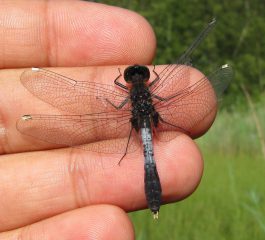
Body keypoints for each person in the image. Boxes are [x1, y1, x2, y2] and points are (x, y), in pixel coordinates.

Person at [0, 1, 215, 239]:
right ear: (147, 80)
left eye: (136, 75)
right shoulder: (150, 89)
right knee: (151, 158)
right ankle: (155, 200)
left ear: (128, 83)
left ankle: (152, 199)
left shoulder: (127, 93)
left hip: (137, 122)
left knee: (150, 158)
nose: (136, 76)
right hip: (149, 121)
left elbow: (116, 103)